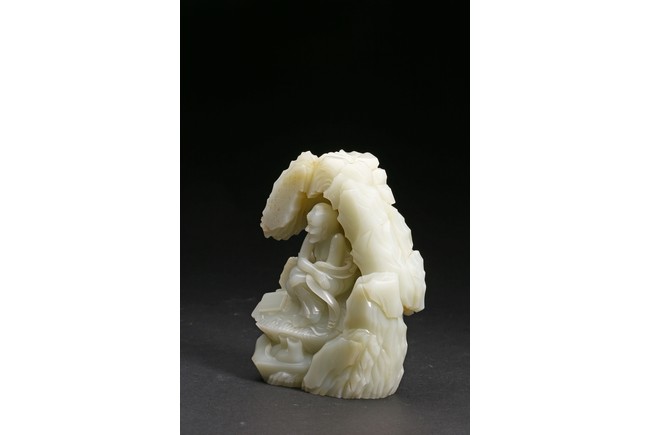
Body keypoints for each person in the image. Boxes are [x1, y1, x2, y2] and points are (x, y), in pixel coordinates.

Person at [280, 202, 358, 328]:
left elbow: (330, 267)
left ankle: (314, 314)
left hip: (336, 278)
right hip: (320, 274)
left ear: (325, 228)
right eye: (309, 226)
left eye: (313, 227)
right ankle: (311, 309)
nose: (308, 229)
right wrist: (315, 272)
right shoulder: (311, 236)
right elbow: (302, 260)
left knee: (297, 281)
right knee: (294, 275)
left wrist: (314, 270)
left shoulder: (337, 239)